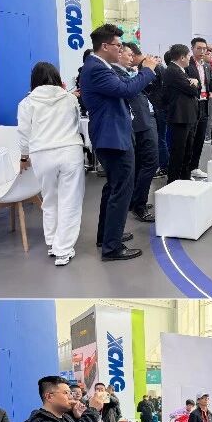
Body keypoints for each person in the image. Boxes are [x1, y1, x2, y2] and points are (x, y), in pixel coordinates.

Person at [79, 24, 159, 261]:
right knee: (121, 190)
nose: (122, 50)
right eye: (118, 45)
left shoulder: (99, 66)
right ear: (105, 46)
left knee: (113, 187)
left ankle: (107, 236)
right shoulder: (97, 68)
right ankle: (112, 248)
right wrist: (147, 70)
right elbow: (126, 90)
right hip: (112, 137)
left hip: (113, 135)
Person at [16, 61, 85, 267]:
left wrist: (23, 157)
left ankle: (52, 242)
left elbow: (24, 134)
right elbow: (77, 125)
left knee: (49, 199)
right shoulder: (70, 98)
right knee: (70, 201)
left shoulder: (26, 103)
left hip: (42, 154)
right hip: (70, 150)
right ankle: (63, 250)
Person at [121, 42, 159, 224]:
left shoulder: (130, 72)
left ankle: (135, 200)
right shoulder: (117, 74)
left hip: (145, 117)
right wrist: (147, 69)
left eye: (131, 54)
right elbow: (131, 90)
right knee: (151, 162)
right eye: (128, 54)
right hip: (141, 121)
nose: (131, 58)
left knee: (142, 163)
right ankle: (139, 205)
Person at [159, 44, 199, 185]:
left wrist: (194, 83)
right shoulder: (173, 71)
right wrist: (195, 82)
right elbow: (192, 91)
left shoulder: (180, 70)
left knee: (187, 151)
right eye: (188, 56)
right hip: (179, 117)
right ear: (182, 57)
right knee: (179, 152)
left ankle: (184, 178)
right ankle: (174, 182)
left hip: (186, 116)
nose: (189, 59)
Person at [184, 38, 212, 181]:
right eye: (199, 48)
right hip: (192, 104)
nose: (202, 51)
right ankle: (186, 170)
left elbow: (211, 84)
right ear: (192, 48)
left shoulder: (206, 66)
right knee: (190, 138)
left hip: (205, 104)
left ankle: (194, 167)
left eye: (204, 49)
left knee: (200, 138)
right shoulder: (187, 65)